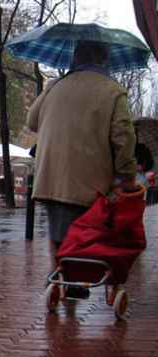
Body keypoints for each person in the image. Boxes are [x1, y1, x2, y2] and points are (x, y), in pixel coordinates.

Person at [27, 40, 138, 299]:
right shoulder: (113, 91)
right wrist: (127, 175)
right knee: (90, 235)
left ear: (75, 58)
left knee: (59, 232)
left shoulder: (56, 88)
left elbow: (32, 122)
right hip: (92, 180)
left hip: (50, 176)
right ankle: (84, 280)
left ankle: (61, 279)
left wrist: (47, 90)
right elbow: (123, 136)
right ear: (103, 59)